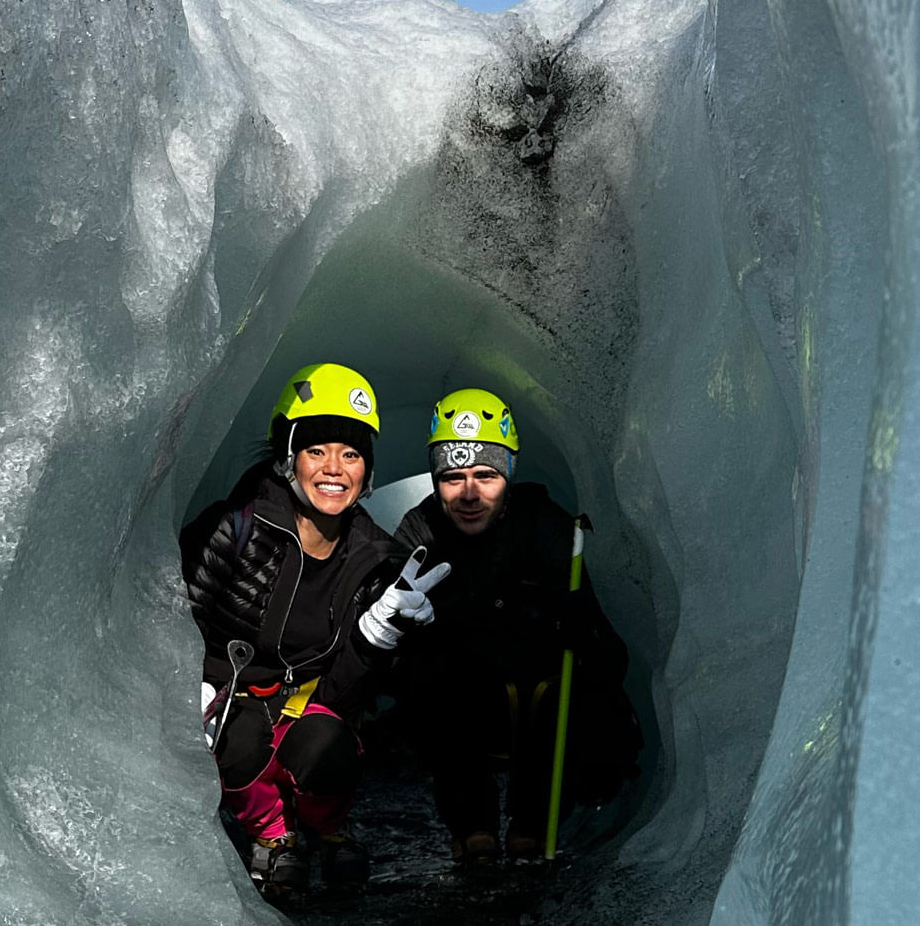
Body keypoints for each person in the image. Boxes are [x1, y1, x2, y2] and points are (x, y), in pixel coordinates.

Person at [180, 363, 450, 898]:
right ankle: (273, 837)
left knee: (330, 744)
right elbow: (175, 612)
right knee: (237, 738)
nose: (335, 468)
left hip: (303, 706)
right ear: (288, 459)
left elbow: (344, 696)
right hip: (228, 700)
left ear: (368, 471)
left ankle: (327, 828)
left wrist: (377, 638)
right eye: (317, 450)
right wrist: (190, 686)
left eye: (351, 454)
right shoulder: (232, 529)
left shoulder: (374, 560)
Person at [393, 388, 641, 866]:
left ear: (508, 474)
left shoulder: (544, 527)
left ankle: (535, 822)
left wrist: (570, 629)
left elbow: (607, 650)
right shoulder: (419, 532)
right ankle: (472, 827)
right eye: (453, 478)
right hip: (466, 700)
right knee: (438, 676)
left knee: (565, 688)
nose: (469, 493)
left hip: (532, 699)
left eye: (486, 475)